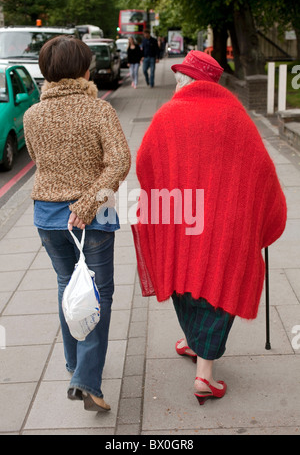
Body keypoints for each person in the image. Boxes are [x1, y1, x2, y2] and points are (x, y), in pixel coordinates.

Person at [134, 50, 287, 405]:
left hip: (181, 222)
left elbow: (144, 164)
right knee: (218, 284)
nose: (175, 83)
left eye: (179, 78)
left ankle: (204, 373)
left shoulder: (168, 114)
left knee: (185, 282)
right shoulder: (235, 115)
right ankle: (198, 356)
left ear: (187, 81)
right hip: (225, 226)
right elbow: (263, 171)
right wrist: (260, 208)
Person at [23, 35, 131, 412]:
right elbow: (119, 163)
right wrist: (86, 204)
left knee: (69, 287)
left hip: (48, 219)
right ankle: (86, 380)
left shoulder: (32, 114)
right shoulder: (98, 110)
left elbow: (38, 159)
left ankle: (74, 364)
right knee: (97, 296)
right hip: (92, 220)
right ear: (84, 70)